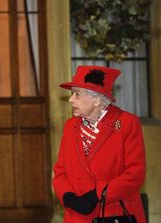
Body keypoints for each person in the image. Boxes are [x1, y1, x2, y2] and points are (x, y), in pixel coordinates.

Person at [52, 66, 147, 223]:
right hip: (77, 216)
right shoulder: (70, 126)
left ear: (96, 99)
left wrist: (98, 193)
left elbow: (135, 174)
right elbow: (60, 171)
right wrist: (68, 197)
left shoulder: (126, 123)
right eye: (72, 94)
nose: (71, 99)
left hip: (114, 213)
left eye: (77, 94)